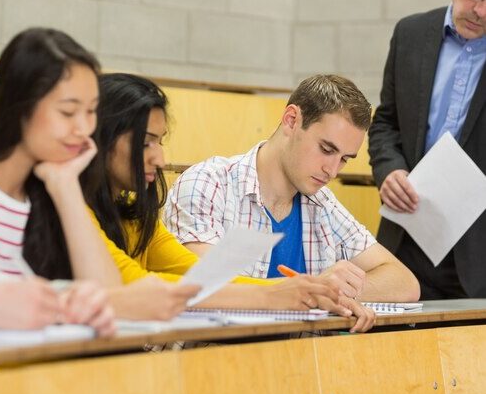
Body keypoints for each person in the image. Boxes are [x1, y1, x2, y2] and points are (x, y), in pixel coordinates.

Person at [87, 73, 374, 332]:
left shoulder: (136, 219)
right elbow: (133, 287)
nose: (160, 159)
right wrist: (285, 294)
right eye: (145, 143)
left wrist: (308, 291)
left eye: (160, 142)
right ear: (101, 137)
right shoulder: (78, 211)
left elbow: (203, 280)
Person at [164, 74, 420, 303]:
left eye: (344, 159)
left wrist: (334, 292)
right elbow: (206, 285)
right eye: (326, 149)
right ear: (291, 120)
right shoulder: (206, 184)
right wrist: (313, 289)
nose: (332, 171)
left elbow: (405, 283)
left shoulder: (323, 203)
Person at [368, 0, 486, 300]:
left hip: (476, 255)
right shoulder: (410, 34)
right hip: (404, 238)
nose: (481, 11)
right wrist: (389, 171)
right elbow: (385, 123)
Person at [0, 27, 118, 334]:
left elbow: (109, 299)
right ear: (20, 107)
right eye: (68, 112)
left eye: (91, 111)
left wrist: (66, 186)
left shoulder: (48, 191)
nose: (84, 128)